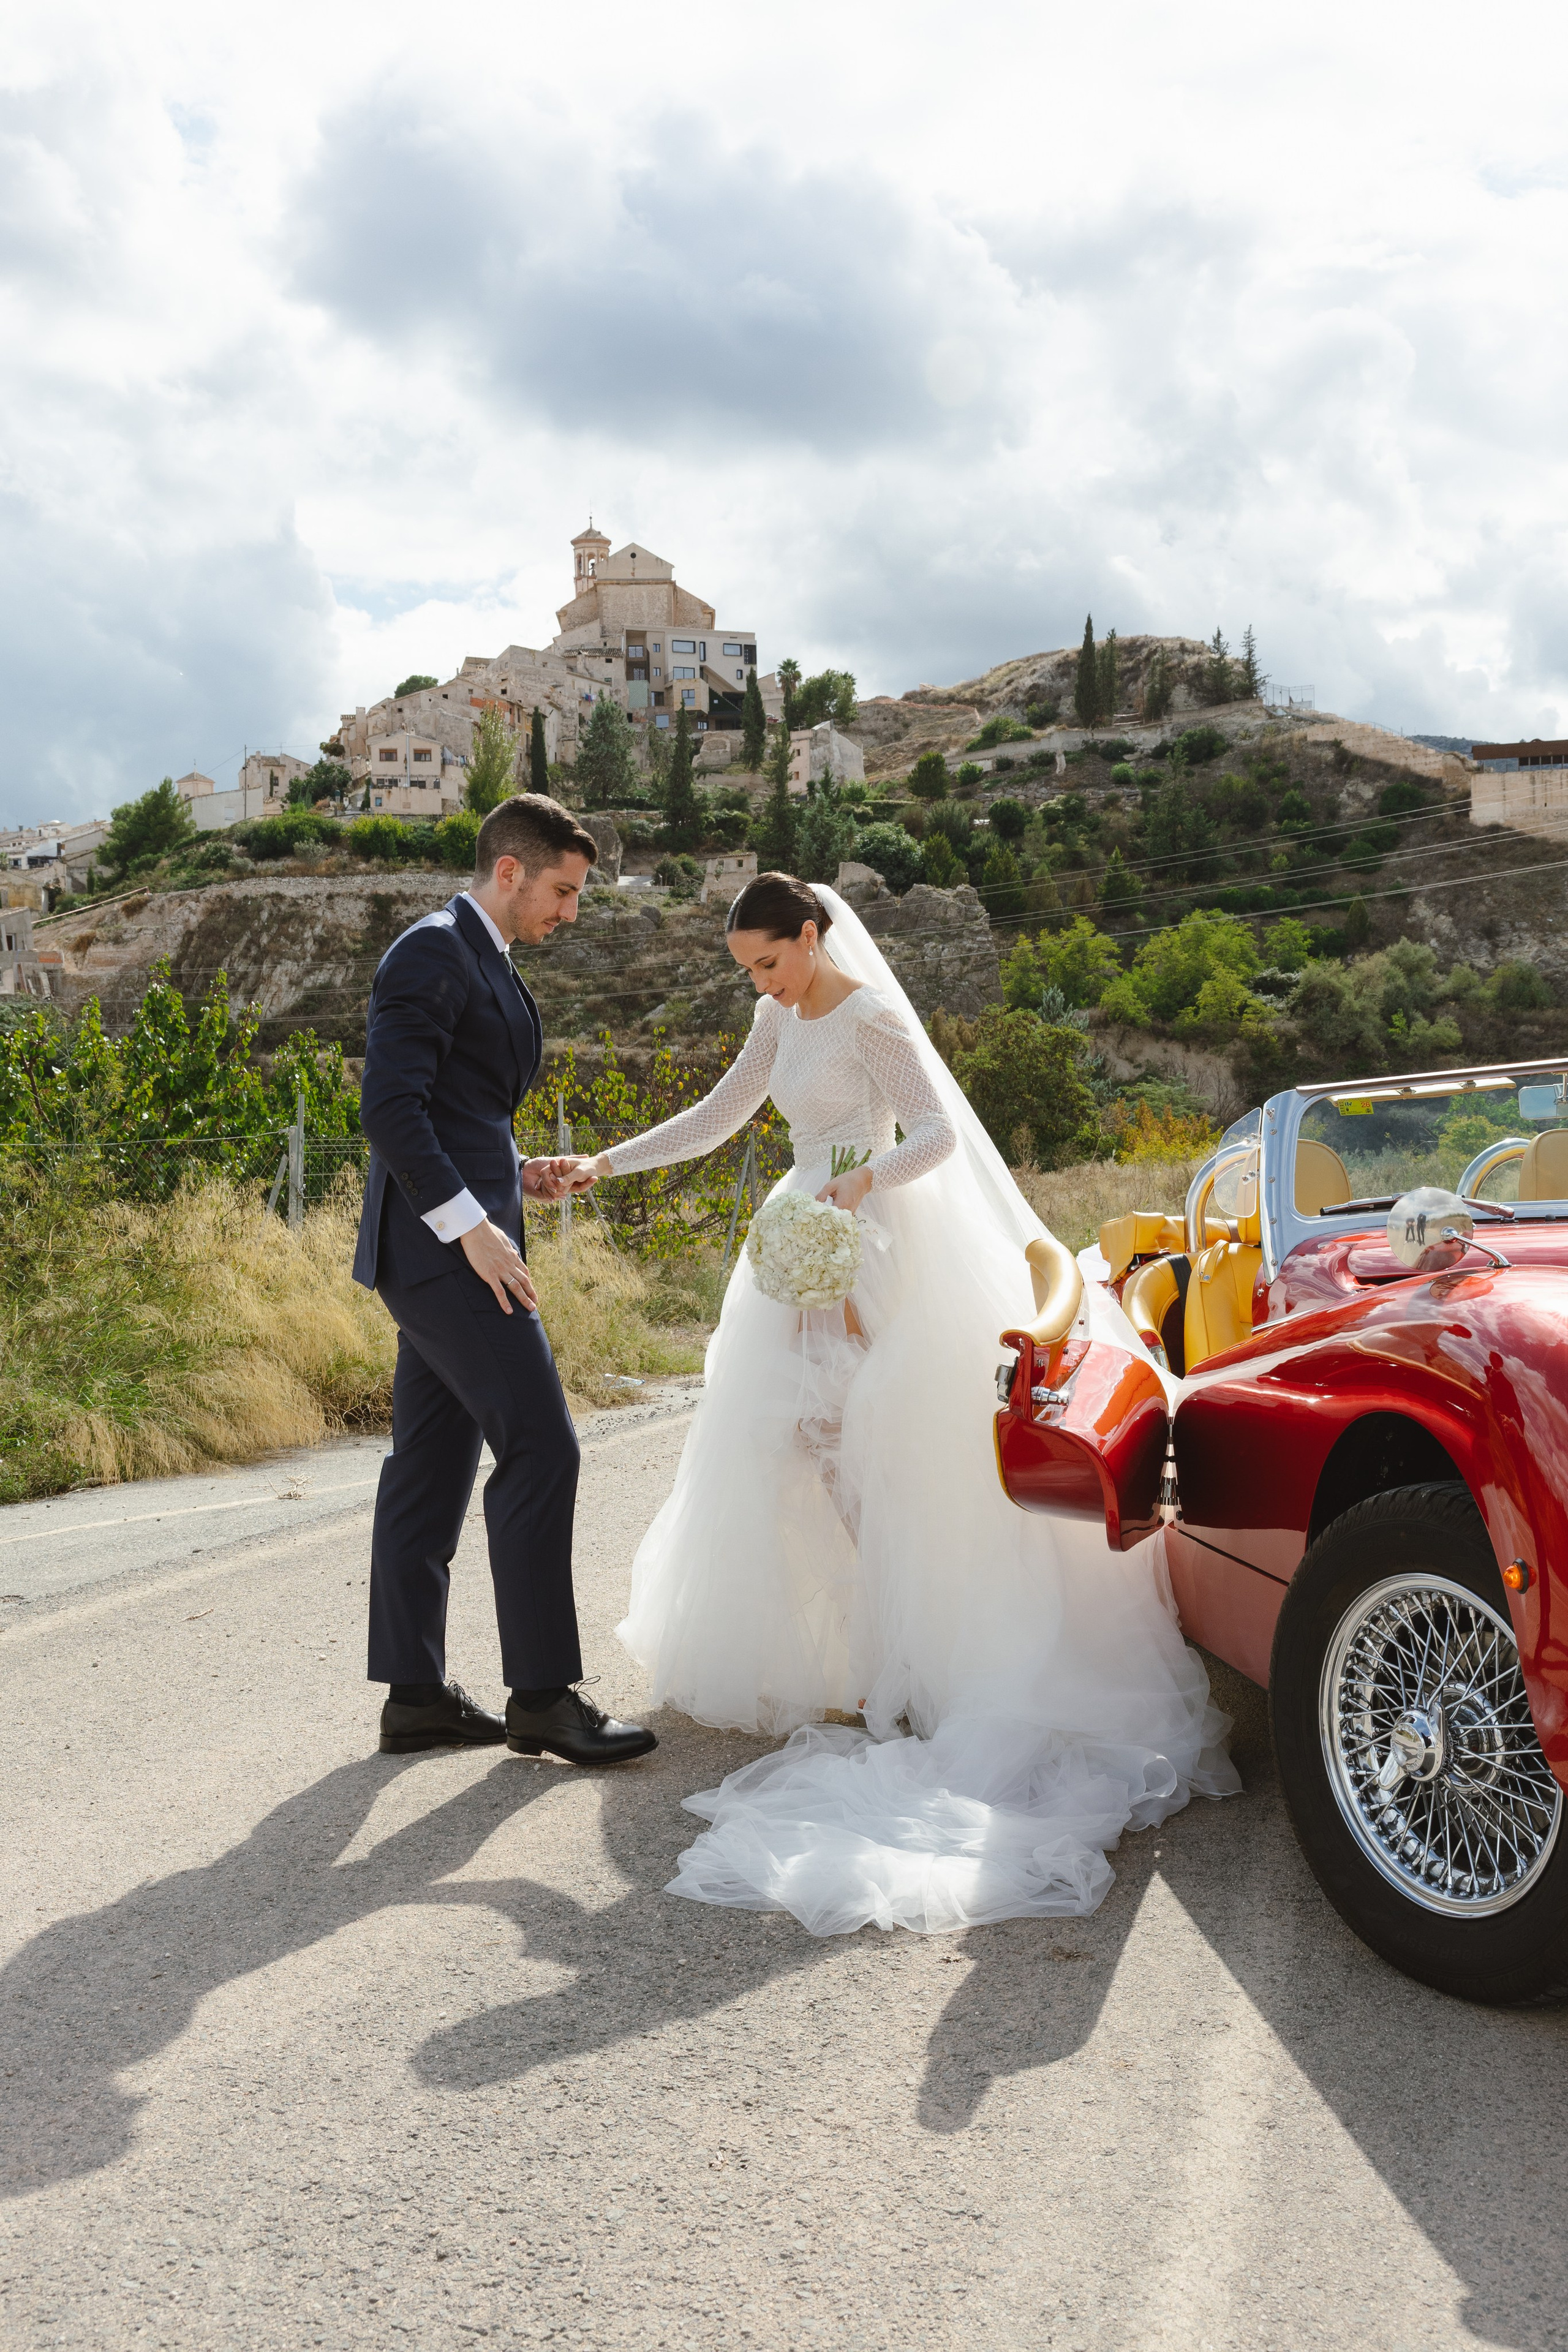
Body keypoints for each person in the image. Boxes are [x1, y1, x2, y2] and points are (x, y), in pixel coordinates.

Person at [571, 872, 1236, 1934]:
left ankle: (918, 1665)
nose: (765, 986)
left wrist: (861, 1181)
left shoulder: (872, 1015)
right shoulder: (771, 1018)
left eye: (772, 963)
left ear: (813, 935)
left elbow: (935, 1136)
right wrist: (602, 1162)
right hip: (802, 1244)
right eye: (748, 971)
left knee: (874, 1452)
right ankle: (875, 1649)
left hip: (872, 1245)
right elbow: (718, 1115)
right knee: (808, 1455)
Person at [353, 793, 656, 1768]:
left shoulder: (488, 960)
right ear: (513, 869)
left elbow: (460, 1107)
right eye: (564, 891)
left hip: (454, 1236)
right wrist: (475, 1227)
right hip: (450, 1255)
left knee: (431, 1466)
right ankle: (542, 1698)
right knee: (544, 1448)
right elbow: (391, 1111)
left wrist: (516, 1170)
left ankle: (417, 1699)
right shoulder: (434, 949)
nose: (569, 913)